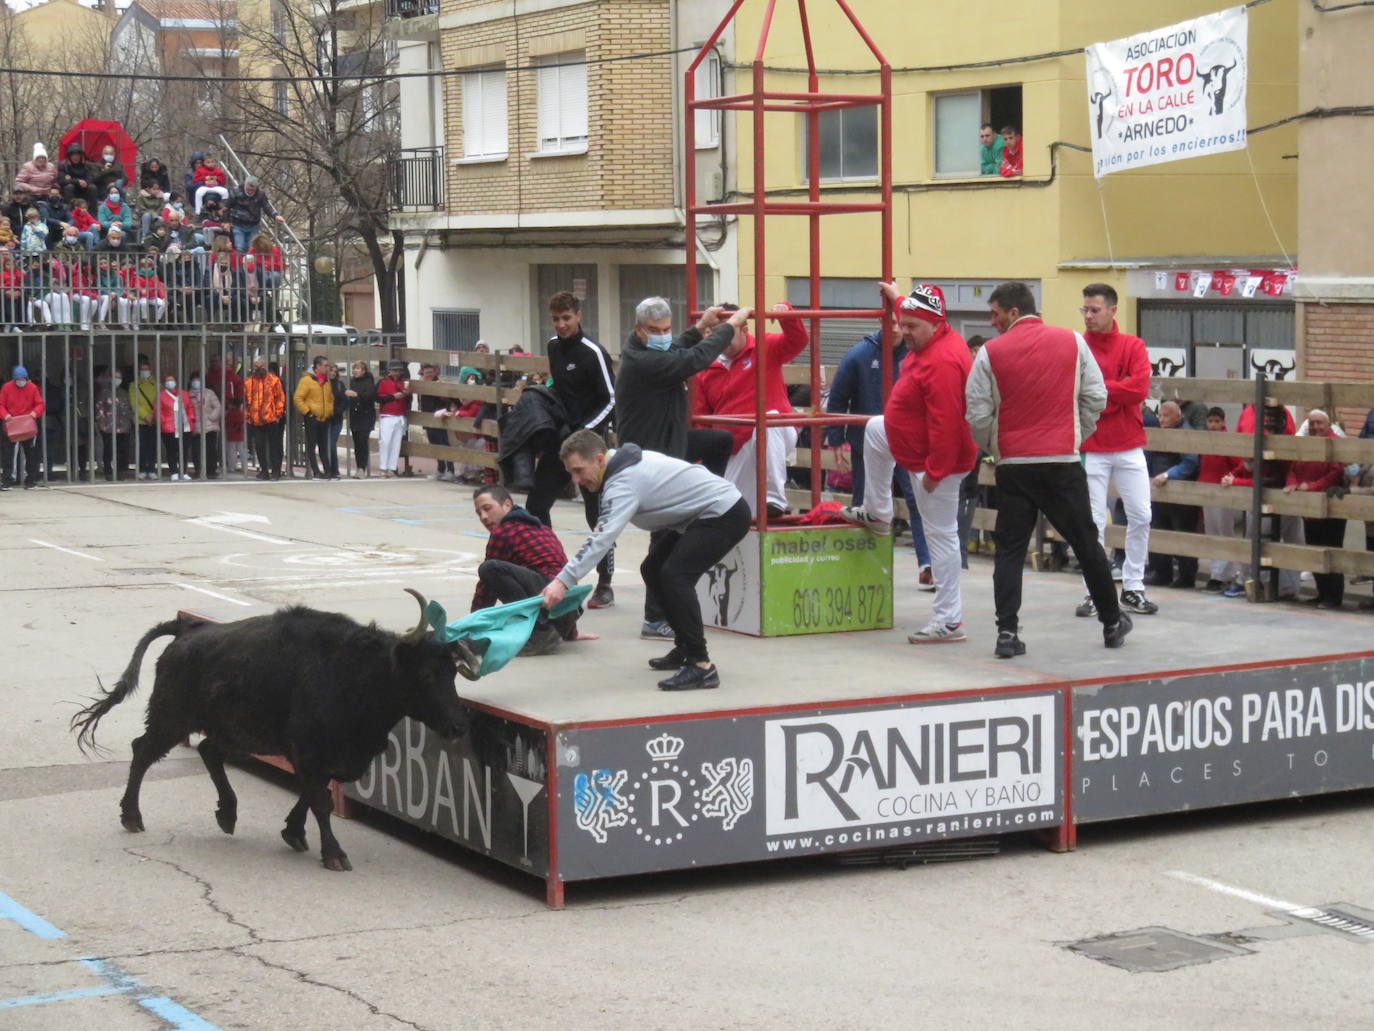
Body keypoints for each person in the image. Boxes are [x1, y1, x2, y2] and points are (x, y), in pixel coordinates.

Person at [965, 281, 1130, 658]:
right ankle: (1111, 622)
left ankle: (1007, 633)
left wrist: (997, 446)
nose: (991, 322)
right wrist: (1075, 435)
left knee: (1009, 550)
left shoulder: (990, 353)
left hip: (1015, 465)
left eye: (994, 314)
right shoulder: (1073, 342)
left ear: (1013, 312)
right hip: (1061, 462)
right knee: (1087, 544)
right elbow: (1097, 397)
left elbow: (976, 413)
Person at [540, 430, 751, 691]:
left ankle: (701, 665)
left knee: (675, 575)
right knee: (652, 568)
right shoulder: (621, 465)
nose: (575, 479)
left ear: (599, 459)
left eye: (579, 470)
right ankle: (684, 648)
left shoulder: (623, 483)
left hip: (724, 513)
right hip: (701, 515)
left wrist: (563, 581)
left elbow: (602, 539)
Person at [840, 283, 977, 643]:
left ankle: (948, 619)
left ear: (935, 324)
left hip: (935, 460)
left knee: (941, 537)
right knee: (874, 428)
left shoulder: (943, 362)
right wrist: (897, 296)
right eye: (903, 323)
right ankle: (879, 513)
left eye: (911, 327)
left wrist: (934, 473)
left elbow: (949, 423)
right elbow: (913, 312)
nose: (904, 331)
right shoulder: (930, 332)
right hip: (911, 441)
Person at [615, 297, 751, 639]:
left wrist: (698, 329)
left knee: (719, 441)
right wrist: (728, 327)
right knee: (663, 535)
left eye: (666, 329)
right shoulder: (642, 362)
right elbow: (690, 361)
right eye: (655, 331)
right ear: (638, 330)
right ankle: (654, 617)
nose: (663, 336)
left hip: (671, 444)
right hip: (650, 456)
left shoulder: (650, 351)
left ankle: (704, 506)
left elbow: (677, 350)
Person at [517, 291, 618, 608]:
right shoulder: (552, 347)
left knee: (595, 514)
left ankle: (605, 583)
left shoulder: (593, 352)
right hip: (560, 441)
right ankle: (547, 567)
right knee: (536, 505)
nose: (561, 324)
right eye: (556, 319)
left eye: (567, 318)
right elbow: (559, 390)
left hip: (588, 445)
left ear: (578, 317)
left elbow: (612, 399)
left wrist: (585, 432)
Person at [826, 297, 935, 588]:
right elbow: (838, 398)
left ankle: (927, 565)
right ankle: (864, 568)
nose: (899, 328)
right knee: (866, 505)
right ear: (880, 321)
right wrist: (836, 440)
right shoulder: (859, 355)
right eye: (893, 321)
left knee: (918, 501)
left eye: (904, 322)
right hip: (869, 444)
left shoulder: (918, 355)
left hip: (909, 443)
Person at [1075, 283, 1159, 618]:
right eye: (1085, 310)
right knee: (1092, 523)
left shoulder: (1133, 345)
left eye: (1095, 309)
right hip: (1091, 446)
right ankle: (1093, 592)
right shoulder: (1078, 346)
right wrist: (1114, 394)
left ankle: (1134, 585)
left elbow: (1138, 389)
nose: (1089, 316)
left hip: (1128, 445)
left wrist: (1100, 395)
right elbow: (1079, 391)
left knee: (1141, 514)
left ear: (1112, 310)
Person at [692, 300, 810, 517]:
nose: (720, 339)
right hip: (733, 445)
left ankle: (774, 499)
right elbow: (701, 420)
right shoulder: (704, 367)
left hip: (773, 430)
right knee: (729, 509)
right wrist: (702, 465)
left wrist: (787, 315)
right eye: (715, 333)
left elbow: (798, 341)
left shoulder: (764, 347)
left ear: (745, 330)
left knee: (768, 421)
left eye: (727, 332)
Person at [472, 485, 592, 656]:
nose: (484, 517)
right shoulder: (542, 527)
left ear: (507, 504)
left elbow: (486, 587)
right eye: (479, 513)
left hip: (549, 599)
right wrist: (571, 632)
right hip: (568, 606)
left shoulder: (503, 532)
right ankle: (548, 629)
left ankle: (537, 633)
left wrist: (474, 626)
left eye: (487, 508)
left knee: (489, 569)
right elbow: (562, 577)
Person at [1286, 409, 1346, 608]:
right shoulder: (1304, 444)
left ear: (1328, 425)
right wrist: (1293, 483)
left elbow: (1335, 472)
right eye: (1312, 423)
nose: (1315, 427)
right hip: (1308, 505)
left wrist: (1310, 487)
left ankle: (1334, 596)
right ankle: (1322, 593)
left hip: (1331, 505)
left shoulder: (1335, 442)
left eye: (1319, 423)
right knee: (1313, 547)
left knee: (1330, 549)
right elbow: (1292, 468)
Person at [1146, 401, 1200, 588]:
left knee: (1182, 532)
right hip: (1158, 491)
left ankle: (1187, 575)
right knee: (1159, 529)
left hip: (1181, 494)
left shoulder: (1185, 432)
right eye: (1160, 415)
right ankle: (1161, 572)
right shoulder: (1158, 431)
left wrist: (1169, 474)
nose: (1161, 419)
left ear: (1177, 416)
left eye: (1166, 416)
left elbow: (1190, 462)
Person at [1198, 406, 1244, 593]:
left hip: (1223, 491)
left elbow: (1239, 464)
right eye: (1211, 421)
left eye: (1217, 421)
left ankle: (1224, 575)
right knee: (1212, 533)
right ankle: (1215, 574)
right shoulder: (1205, 441)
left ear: (1224, 422)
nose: (1214, 425)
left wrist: (1231, 477)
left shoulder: (1227, 441)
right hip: (1207, 490)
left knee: (1224, 532)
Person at [0, 365, 44, 489]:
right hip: (11, 425)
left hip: (27, 425)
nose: (21, 381)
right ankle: (7, 480)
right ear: (14, 379)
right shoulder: (7, 387)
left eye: (23, 379)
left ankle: (30, 480)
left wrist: (34, 413)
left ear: (26, 378)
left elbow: (40, 404)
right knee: (9, 454)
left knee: (30, 454)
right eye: (18, 379)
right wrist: (6, 415)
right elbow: (1, 404)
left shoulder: (32, 388)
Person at [293, 354, 335, 478]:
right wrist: (307, 412)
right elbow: (298, 398)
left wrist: (330, 411)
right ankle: (316, 470)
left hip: (324, 417)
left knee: (323, 445)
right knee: (312, 445)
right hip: (312, 417)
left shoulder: (326, 381)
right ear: (317, 366)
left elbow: (329, 398)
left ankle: (328, 470)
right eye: (325, 365)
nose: (327, 368)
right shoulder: (307, 380)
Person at [245, 358, 286, 480]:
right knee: (259, 445)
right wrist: (248, 415)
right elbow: (246, 401)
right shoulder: (248, 383)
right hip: (255, 420)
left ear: (265, 367)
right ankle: (264, 470)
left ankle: (276, 471)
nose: (259, 369)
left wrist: (278, 414)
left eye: (261, 366)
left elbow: (280, 398)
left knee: (275, 446)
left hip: (271, 419)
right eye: (256, 367)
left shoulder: (274, 380)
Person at [417, 363, 455, 481]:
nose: (428, 375)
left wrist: (445, 411)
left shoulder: (439, 384)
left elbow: (448, 400)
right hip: (427, 418)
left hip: (439, 418)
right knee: (434, 444)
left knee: (444, 443)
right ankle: (440, 469)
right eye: (426, 373)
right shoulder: (422, 385)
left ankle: (450, 470)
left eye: (430, 373)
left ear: (434, 372)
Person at [225, 177, 284, 253]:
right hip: (238, 224)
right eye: (248, 189)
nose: (250, 192)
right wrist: (226, 221)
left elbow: (266, 206)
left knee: (252, 248)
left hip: (253, 224)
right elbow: (227, 207)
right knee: (240, 246)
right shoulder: (235, 192)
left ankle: (250, 263)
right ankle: (241, 263)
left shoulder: (260, 194)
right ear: (245, 185)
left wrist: (275, 215)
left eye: (252, 190)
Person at [94, 368, 133, 481]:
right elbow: (99, 409)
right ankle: (108, 471)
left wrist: (129, 422)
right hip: (108, 427)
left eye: (119, 377)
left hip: (123, 427)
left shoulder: (124, 393)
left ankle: (121, 471)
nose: (117, 379)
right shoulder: (104, 393)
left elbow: (129, 409)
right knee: (108, 450)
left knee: (122, 450)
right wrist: (102, 424)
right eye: (115, 377)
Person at [158, 372, 196, 480]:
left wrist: (191, 418)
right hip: (169, 428)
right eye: (168, 381)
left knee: (184, 450)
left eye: (172, 380)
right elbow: (158, 410)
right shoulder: (161, 395)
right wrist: (163, 421)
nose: (170, 383)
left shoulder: (183, 394)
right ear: (165, 383)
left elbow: (190, 407)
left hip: (185, 426)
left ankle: (183, 471)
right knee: (171, 450)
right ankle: (173, 471)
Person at [376, 359, 411, 477]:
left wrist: (406, 394)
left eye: (398, 371)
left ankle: (391, 467)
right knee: (385, 442)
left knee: (396, 443)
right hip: (387, 415)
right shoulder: (383, 382)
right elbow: (378, 398)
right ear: (389, 371)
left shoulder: (403, 383)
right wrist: (393, 397)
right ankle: (383, 467)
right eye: (394, 370)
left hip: (399, 415)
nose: (396, 373)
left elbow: (407, 400)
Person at [344, 360, 377, 477]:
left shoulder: (369, 382)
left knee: (363, 441)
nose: (355, 371)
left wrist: (356, 395)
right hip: (355, 416)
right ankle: (359, 467)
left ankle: (362, 468)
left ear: (363, 371)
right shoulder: (352, 381)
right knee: (357, 442)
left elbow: (370, 396)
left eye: (358, 369)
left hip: (366, 415)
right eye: (354, 368)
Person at [187, 372, 222, 480]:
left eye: (198, 380)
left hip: (210, 426)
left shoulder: (209, 393)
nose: (196, 383)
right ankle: (199, 470)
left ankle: (211, 470)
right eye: (194, 381)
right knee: (196, 450)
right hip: (196, 427)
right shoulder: (188, 395)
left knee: (210, 449)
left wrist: (211, 418)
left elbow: (218, 407)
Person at [131, 358, 158, 479]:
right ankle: (142, 468)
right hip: (140, 421)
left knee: (153, 445)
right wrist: (145, 415)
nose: (144, 371)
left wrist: (153, 414)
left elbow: (160, 401)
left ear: (150, 370)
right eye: (142, 369)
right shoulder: (134, 385)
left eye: (146, 369)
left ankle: (152, 468)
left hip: (154, 420)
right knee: (141, 446)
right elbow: (134, 403)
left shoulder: (157, 384)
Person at [14, 143, 57, 211]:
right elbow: (18, 182)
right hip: (33, 195)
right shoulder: (27, 166)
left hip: (48, 194)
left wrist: (54, 189)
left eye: (43, 158)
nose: (41, 160)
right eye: (39, 158)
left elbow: (55, 180)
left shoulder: (51, 166)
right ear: (35, 158)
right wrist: (31, 188)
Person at [58, 143, 98, 211]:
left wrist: (86, 182)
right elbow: (61, 181)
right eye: (73, 155)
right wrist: (77, 181)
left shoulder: (86, 165)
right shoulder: (64, 165)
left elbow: (91, 177)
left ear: (80, 156)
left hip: (84, 188)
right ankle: (70, 213)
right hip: (71, 190)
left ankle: (93, 213)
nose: (75, 157)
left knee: (93, 188)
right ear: (69, 156)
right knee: (69, 187)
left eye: (77, 155)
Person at [325, 364, 346, 478]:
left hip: (336, 419)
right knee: (325, 445)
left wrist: (337, 411)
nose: (332, 373)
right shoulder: (322, 383)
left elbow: (344, 401)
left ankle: (335, 470)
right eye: (331, 371)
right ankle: (328, 469)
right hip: (324, 418)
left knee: (332, 444)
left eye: (335, 371)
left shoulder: (339, 385)